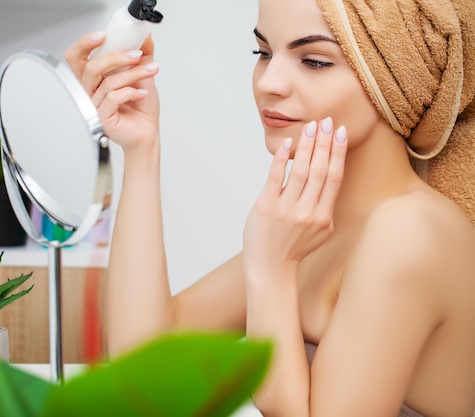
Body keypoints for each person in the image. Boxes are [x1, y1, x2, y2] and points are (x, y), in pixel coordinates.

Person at [65, 0, 475, 415]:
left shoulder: (411, 231)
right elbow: (143, 365)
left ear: (397, 78)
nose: (269, 82)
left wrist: (272, 270)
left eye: (314, 61)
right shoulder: (313, 229)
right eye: (262, 53)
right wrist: (141, 148)